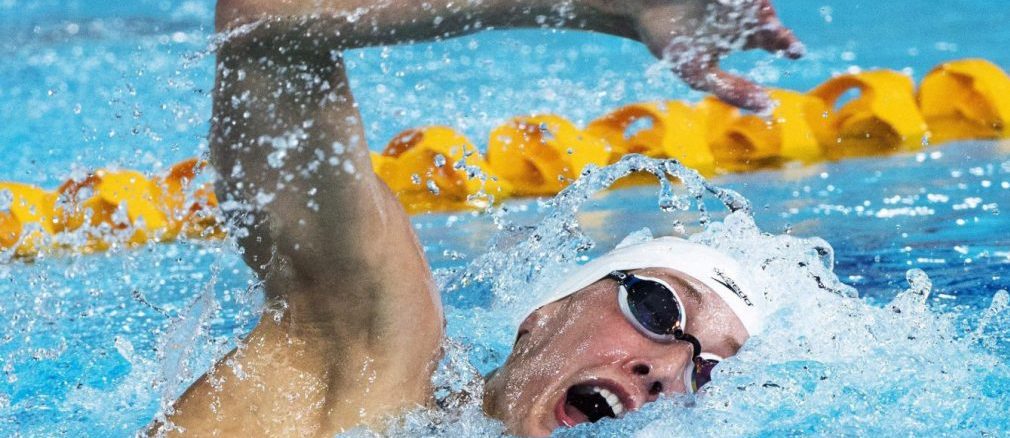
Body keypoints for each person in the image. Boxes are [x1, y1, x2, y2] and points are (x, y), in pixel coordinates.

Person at [153, 0, 802, 435]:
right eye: (658, 311)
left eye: (708, 373)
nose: (665, 369)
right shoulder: (364, 363)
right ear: (544, 314)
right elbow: (263, 22)